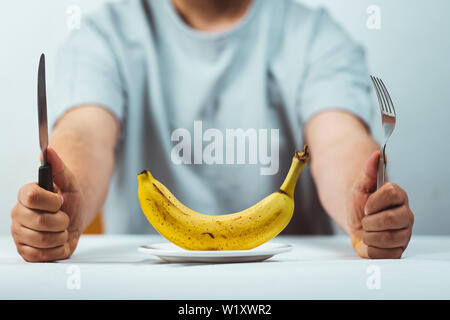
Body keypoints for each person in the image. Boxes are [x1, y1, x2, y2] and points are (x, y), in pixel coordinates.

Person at [10, 0, 413, 262]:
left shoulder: (316, 35)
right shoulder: (104, 35)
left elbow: (338, 139)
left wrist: (357, 201)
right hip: (144, 283)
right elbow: (85, 133)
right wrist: (66, 194)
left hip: (292, 282)